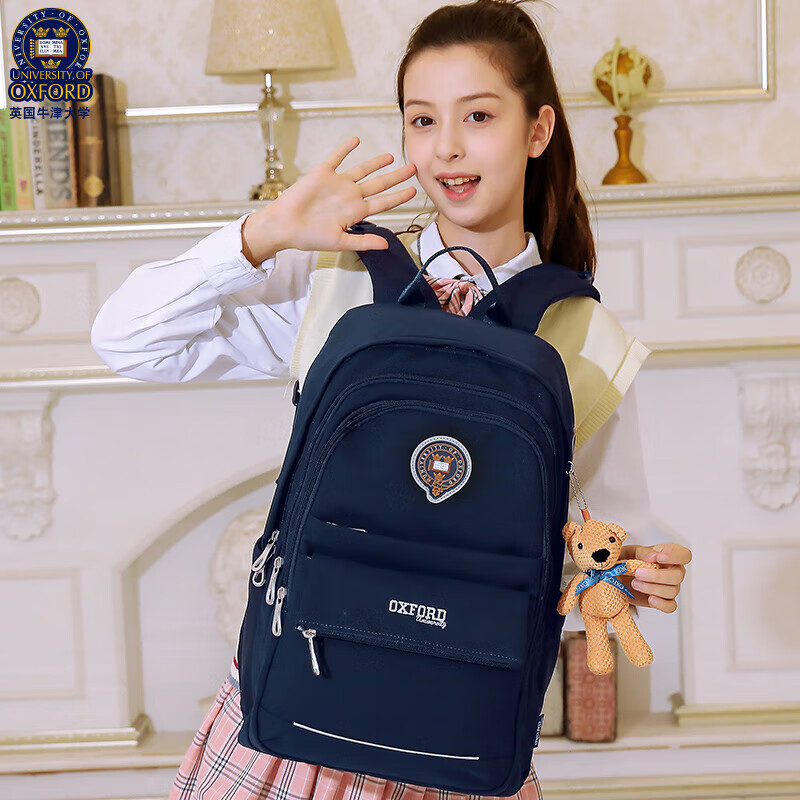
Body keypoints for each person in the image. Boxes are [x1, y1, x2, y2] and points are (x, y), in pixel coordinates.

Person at [91, 1, 692, 798]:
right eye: (421, 119)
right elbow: (125, 340)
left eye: (479, 116)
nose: (446, 147)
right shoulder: (336, 276)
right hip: (302, 718)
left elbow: (593, 560)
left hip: (455, 737)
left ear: (538, 130)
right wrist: (260, 235)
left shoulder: (588, 341)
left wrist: (632, 579)